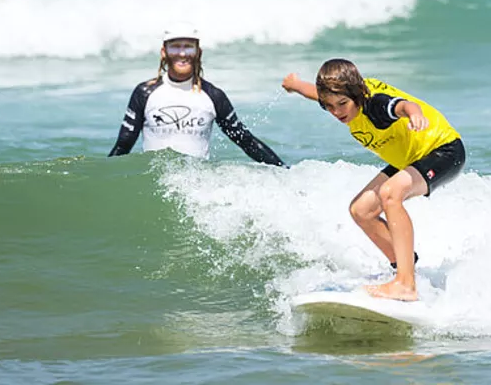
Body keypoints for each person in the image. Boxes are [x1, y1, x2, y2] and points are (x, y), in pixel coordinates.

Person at [282, 59, 465, 301]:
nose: (337, 112)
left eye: (342, 104)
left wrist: (416, 115)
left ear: (357, 93)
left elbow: (404, 106)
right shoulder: (338, 97)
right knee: (362, 210)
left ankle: (405, 284)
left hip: (443, 151)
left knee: (391, 193)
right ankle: (406, 270)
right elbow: (317, 94)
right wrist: (295, 84)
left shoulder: (374, 105)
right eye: (329, 106)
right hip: (410, 159)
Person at [108, 25, 286, 167]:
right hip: (152, 182)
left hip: (196, 189)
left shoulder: (213, 96)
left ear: (198, 51)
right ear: (164, 52)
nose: (182, 53)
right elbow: (123, 146)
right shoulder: (144, 93)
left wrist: (284, 171)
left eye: (188, 47)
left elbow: (246, 141)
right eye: (175, 47)